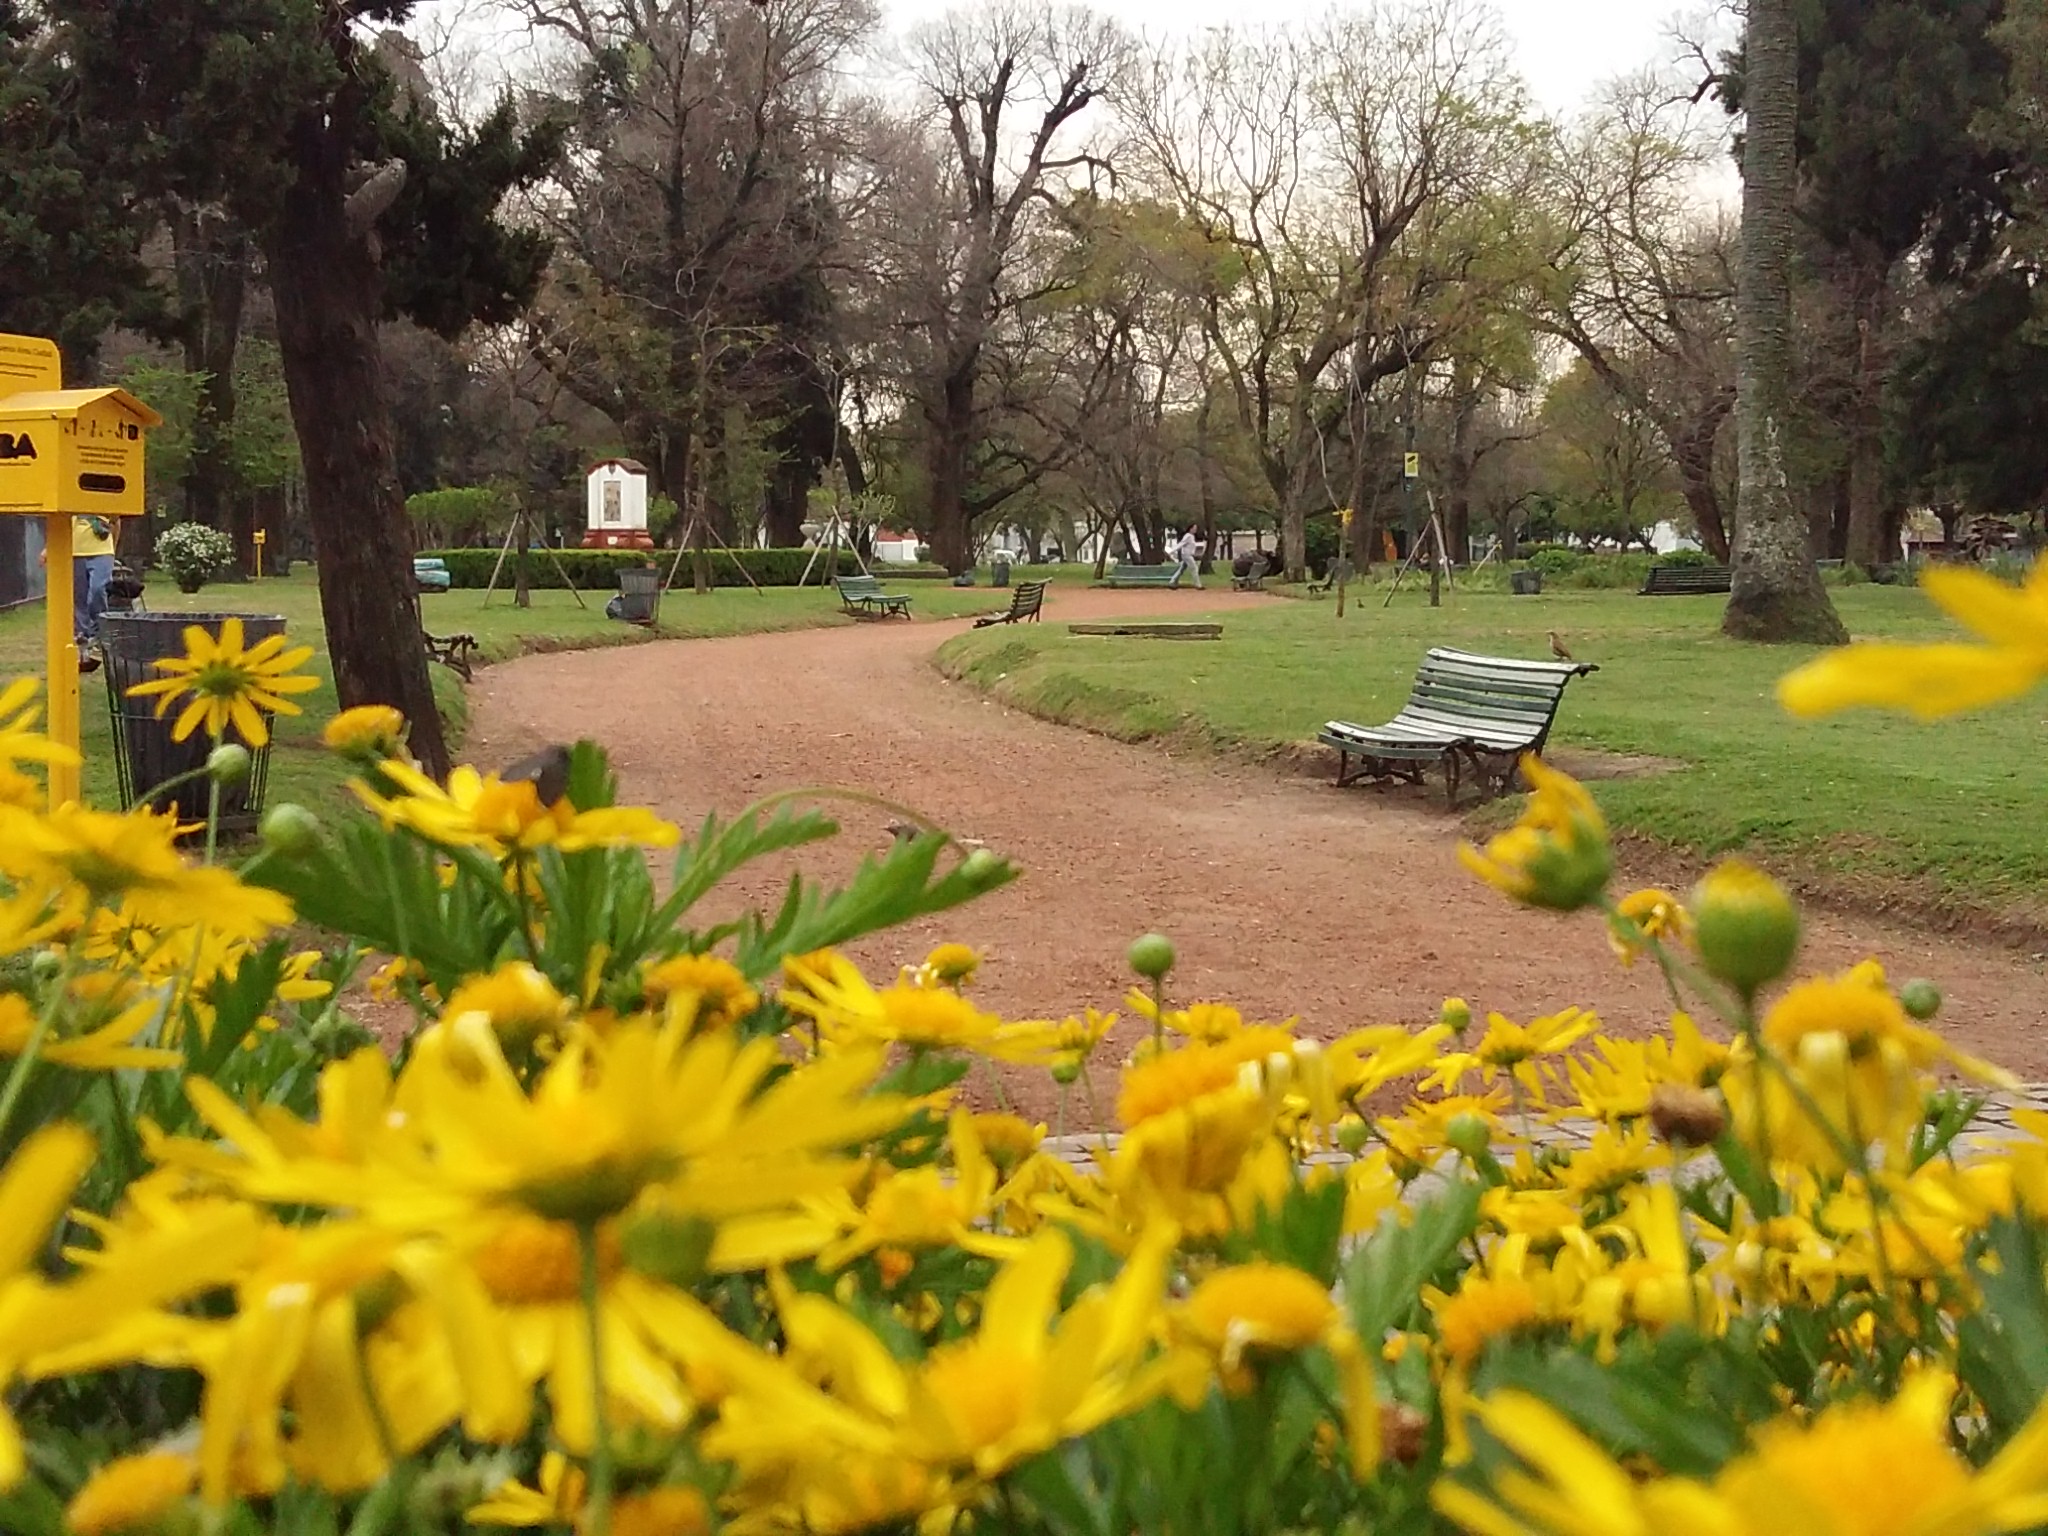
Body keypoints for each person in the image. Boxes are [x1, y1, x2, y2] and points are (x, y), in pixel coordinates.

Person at [35, 515, 116, 670]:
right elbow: (60, 527)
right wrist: (48, 548)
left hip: (102, 551)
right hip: (75, 552)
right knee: (80, 598)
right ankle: (84, 643)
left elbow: (117, 522)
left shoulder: (103, 501)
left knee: (97, 589)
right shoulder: (71, 505)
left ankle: (99, 633)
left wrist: (113, 550)